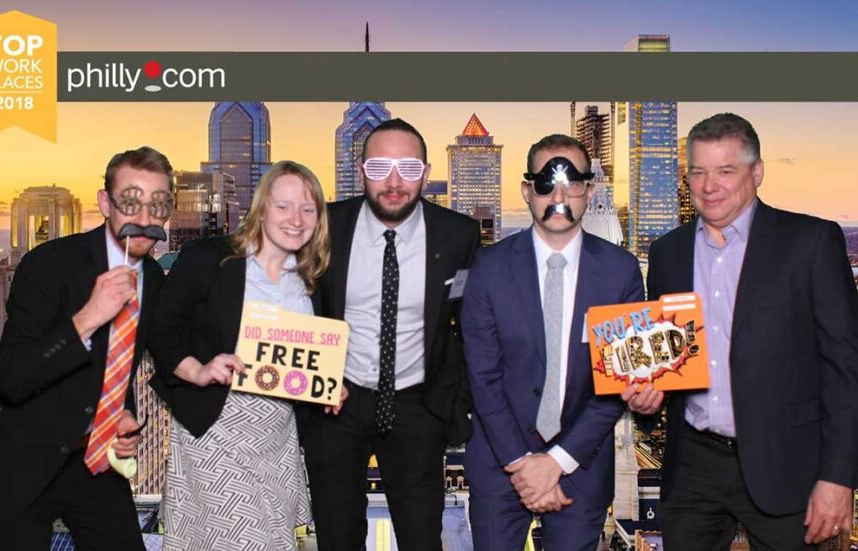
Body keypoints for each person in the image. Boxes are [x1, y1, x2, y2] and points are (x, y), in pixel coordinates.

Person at [626, 112, 858, 550]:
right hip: (693, 465)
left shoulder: (810, 243)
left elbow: (847, 370)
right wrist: (645, 396)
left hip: (789, 466)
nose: (708, 186)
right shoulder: (667, 253)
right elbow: (664, 362)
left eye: (725, 171)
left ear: (757, 173)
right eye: (697, 172)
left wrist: (839, 477)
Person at [0, 146, 174, 550]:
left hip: (92, 459)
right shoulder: (47, 264)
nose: (145, 218)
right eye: (131, 201)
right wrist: (88, 316)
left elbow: (127, 361)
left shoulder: (153, 277)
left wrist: (127, 418)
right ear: (105, 202)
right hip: (21, 459)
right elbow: (14, 377)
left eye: (157, 205)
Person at [301, 118, 481, 551]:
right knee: (336, 535)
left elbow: (472, 321)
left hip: (418, 405)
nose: (395, 182)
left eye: (409, 168)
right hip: (335, 403)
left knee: (422, 537)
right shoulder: (326, 225)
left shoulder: (458, 234)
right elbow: (298, 302)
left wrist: (454, 403)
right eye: (381, 167)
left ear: (427, 171)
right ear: (360, 170)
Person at [461, 134, 645, 551]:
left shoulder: (621, 272)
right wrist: (525, 466)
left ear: (589, 191)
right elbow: (482, 377)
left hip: (582, 467)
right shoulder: (488, 267)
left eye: (572, 183)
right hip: (499, 465)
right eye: (546, 184)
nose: (558, 196)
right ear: (527, 191)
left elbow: (616, 383)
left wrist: (557, 462)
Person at [148, 160, 331, 550]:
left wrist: (330, 386)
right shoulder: (209, 258)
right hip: (216, 430)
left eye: (307, 208)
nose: (295, 219)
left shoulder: (312, 278)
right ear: (262, 208)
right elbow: (161, 330)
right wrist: (196, 369)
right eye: (283, 206)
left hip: (278, 435)